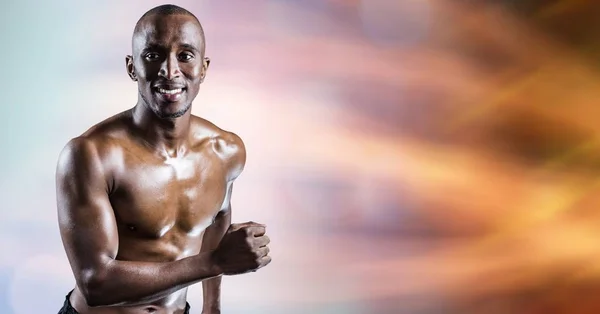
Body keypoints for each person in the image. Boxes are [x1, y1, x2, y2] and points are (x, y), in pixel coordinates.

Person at [56, 4, 271, 314]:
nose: (170, 71)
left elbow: (215, 225)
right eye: (153, 55)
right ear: (132, 67)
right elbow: (95, 284)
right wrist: (213, 262)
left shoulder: (226, 151)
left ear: (203, 68)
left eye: (185, 56)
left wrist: (212, 306)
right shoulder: (91, 155)